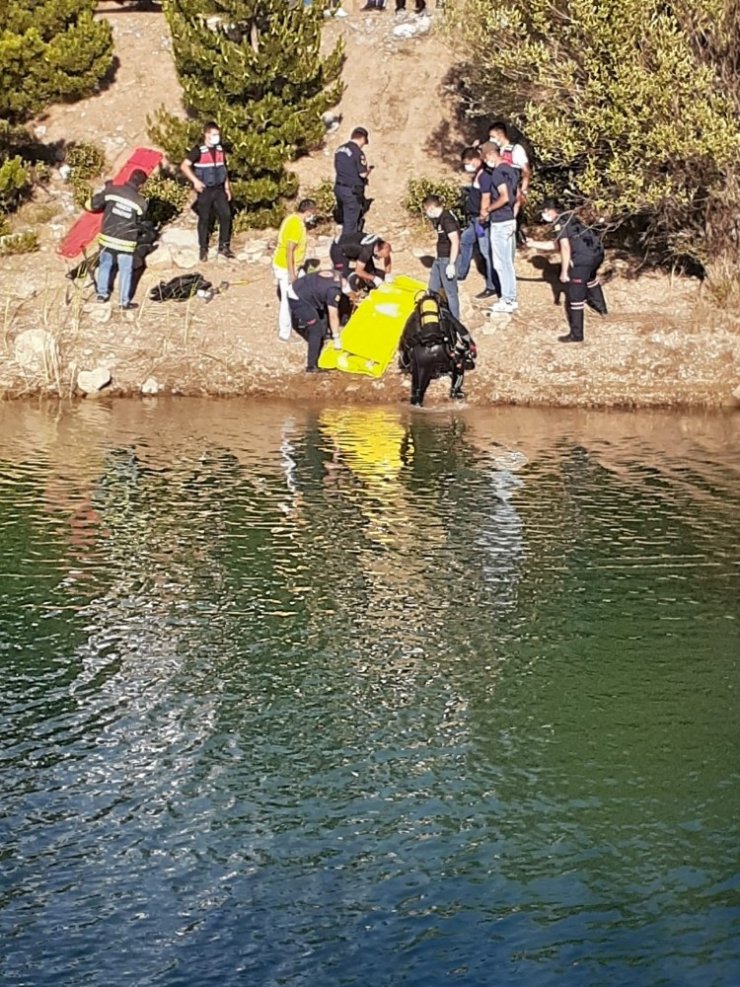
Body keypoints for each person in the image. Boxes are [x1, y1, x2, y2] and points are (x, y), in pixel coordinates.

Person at [529, 199, 607, 343]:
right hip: (597, 254)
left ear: (548, 211)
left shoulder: (559, 224)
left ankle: (576, 334)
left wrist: (564, 272)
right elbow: (557, 244)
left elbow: (565, 248)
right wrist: (533, 243)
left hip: (582, 260)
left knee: (575, 297)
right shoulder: (571, 217)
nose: (543, 216)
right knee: (590, 279)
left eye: (543, 212)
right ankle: (602, 309)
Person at [86, 168, 148, 310]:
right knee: (126, 270)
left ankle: (101, 294)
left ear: (129, 178)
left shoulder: (112, 191)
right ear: (141, 185)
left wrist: (106, 189)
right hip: (126, 242)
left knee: (105, 264)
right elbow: (139, 220)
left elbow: (93, 204)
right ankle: (123, 302)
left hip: (107, 237)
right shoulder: (141, 203)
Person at [181, 121, 235, 262]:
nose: (217, 137)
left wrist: (227, 187)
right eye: (214, 134)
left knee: (226, 215)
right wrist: (195, 181)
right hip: (205, 189)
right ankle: (203, 248)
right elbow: (184, 166)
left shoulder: (220, 150)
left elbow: (224, 169)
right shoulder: (198, 150)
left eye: (218, 134)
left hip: (219, 189)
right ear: (206, 134)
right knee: (204, 219)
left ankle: (224, 246)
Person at [479, 141, 519, 314]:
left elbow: (504, 197)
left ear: (489, 155)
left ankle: (507, 299)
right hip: (510, 220)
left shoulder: (497, 173)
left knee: (500, 263)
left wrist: (487, 210)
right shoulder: (511, 170)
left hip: (501, 221)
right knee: (508, 263)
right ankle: (511, 297)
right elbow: (516, 196)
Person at [272, 198, 317, 340]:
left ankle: (302, 320)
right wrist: (292, 274)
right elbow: (289, 251)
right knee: (288, 299)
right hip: (286, 267)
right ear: (308, 211)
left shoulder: (292, 219)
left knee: (304, 289)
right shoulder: (296, 225)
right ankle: (285, 333)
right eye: (313, 213)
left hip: (292, 265)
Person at [287, 270, 349, 373]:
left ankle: (324, 336)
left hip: (301, 287)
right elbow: (333, 316)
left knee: (322, 314)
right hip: (298, 298)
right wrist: (336, 337)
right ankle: (311, 366)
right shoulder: (334, 291)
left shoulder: (337, 275)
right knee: (315, 330)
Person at [458, 147, 498, 299]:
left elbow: (486, 197)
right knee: (466, 239)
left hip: (480, 221)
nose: (467, 166)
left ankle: (491, 286)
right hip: (475, 221)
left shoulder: (484, 176)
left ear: (475, 159)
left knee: (485, 251)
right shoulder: (478, 174)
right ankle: (461, 273)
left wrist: (483, 215)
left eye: (467, 163)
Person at [423, 195, 461, 320]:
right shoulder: (440, 219)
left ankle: (455, 322)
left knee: (450, 293)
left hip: (447, 259)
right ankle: (434, 316)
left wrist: (451, 264)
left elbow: (455, 241)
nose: (426, 214)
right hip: (439, 259)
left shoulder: (447, 219)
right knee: (432, 289)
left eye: (426, 210)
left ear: (431, 208)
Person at [334, 127, 371, 236]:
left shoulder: (339, 149)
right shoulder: (358, 152)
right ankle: (347, 247)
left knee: (345, 217)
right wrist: (368, 170)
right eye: (364, 142)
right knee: (350, 224)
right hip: (351, 191)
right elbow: (362, 174)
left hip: (339, 188)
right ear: (362, 139)